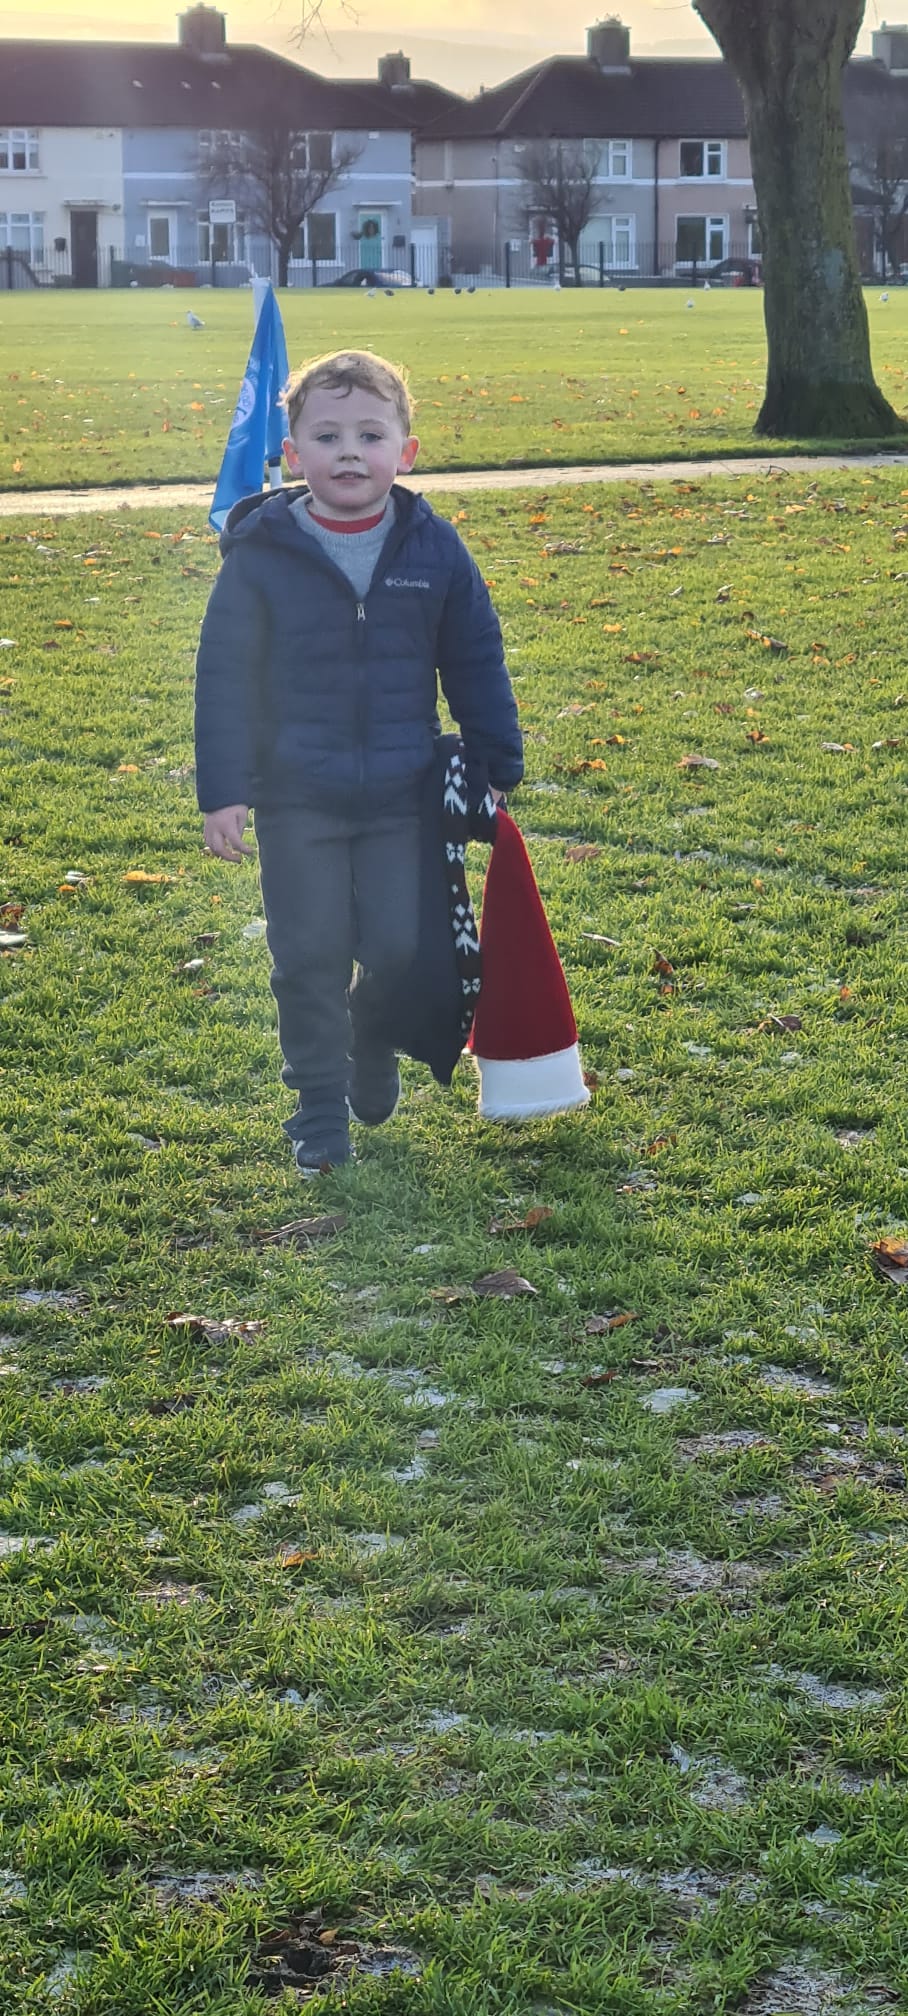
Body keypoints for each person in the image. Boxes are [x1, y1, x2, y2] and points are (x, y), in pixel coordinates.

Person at [194, 348, 523, 1175]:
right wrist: (224, 791)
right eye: (328, 436)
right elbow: (224, 677)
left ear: (405, 452)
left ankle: (370, 1036)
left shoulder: (433, 549)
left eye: (370, 436)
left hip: (401, 796)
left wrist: (494, 762)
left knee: (399, 946)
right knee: (308, 953)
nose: (349, 453)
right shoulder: (261, 554)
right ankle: (316, 1107)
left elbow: (475, 658)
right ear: (292, 453)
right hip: (296, 794)